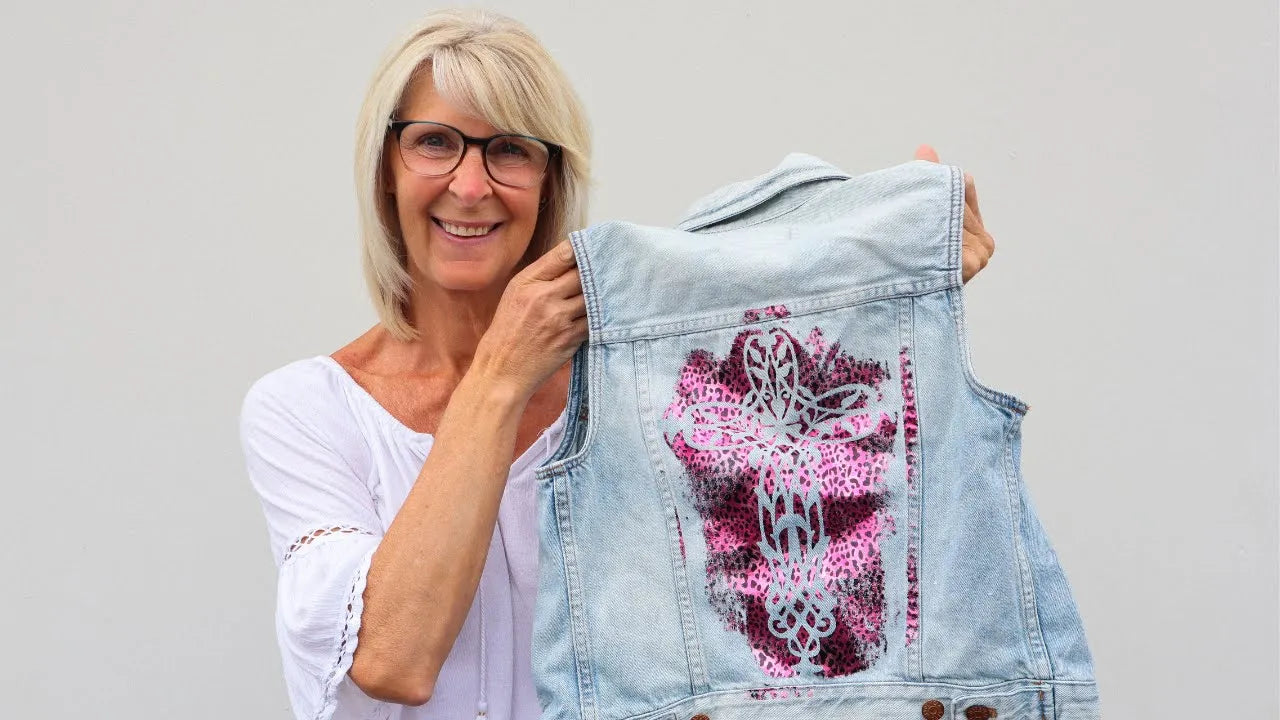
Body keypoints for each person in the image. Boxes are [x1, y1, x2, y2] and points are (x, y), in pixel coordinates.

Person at [239, 7, 997, 720]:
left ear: (550, 180)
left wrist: (897, 275)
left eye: (509, 149)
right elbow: (392, 659)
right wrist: (502, 374)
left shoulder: (635, 387)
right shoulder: (306, 410)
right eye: (435, 142)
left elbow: (812, 532)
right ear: (386, 170)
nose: (470, 186)